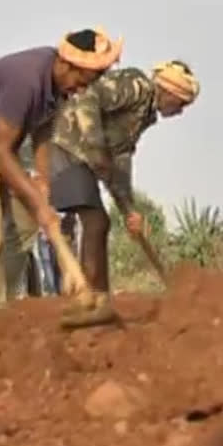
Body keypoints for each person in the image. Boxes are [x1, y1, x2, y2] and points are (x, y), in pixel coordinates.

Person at [0, 27, 123, 319]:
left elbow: (41, 130)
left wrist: (42, 181)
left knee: (25, 225)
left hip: (3, 149)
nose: (82, 89)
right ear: (66, 64)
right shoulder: (25, 80)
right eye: (82, 80)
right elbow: (1, 150)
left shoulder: (61, 87)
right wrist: (40, 205)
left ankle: (4, 300)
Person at [40, 60, 200, 328]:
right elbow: (88, 99)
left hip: (87, 159)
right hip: (68, 148)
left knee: (100, 221)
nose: (180, 111)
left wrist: (129, 209)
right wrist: (95, 144)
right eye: (181, 104)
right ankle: (89, 299)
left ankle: (98, 301)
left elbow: (121, 159)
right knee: (96, 220)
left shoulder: (145, 115)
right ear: (170, 92)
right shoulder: (136, 86)